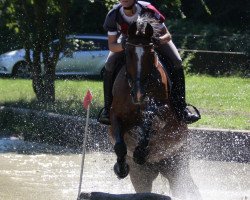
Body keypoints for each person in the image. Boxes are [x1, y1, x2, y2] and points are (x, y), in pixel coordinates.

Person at [98, 0, 200, 125]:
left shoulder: (148, 9)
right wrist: (124, 45)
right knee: (109, 64)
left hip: (153, 40)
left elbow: (167, 35)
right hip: (127, 42)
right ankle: (108, 109)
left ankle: (181, 107)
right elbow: (112, 46)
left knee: (177, 61)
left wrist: (157, 40)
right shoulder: (113, 14)